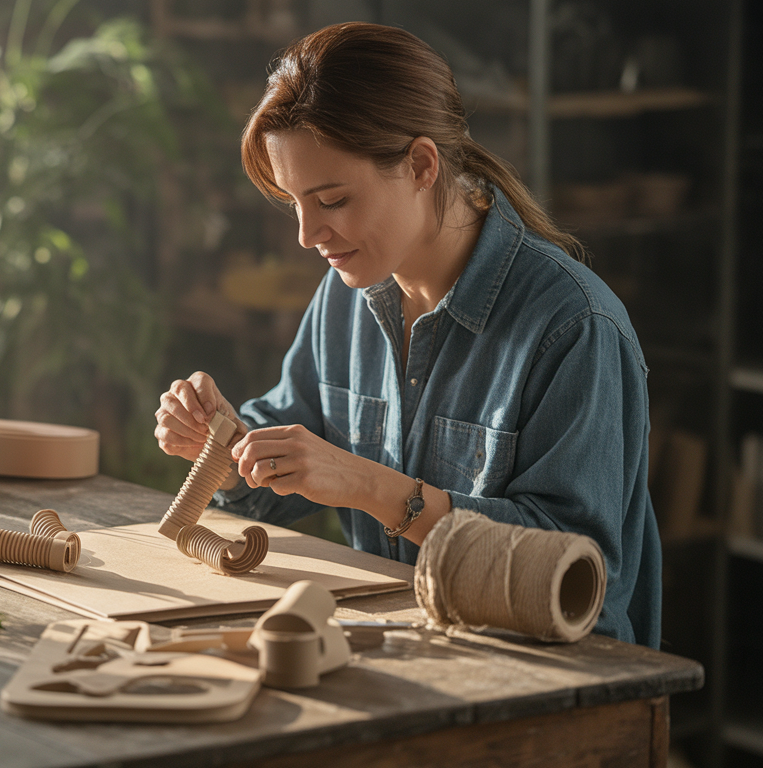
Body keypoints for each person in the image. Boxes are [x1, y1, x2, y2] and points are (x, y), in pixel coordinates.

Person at [153, 22, 660, 648]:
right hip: (400, 650)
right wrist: (226, 450)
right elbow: (294, 450)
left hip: (548, 672)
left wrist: (370, 486)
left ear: (421, 165)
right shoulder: (344, 295)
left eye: (332, 200)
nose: (307, 235)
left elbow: (578, 573)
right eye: (294, 203)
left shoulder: (574, 327)